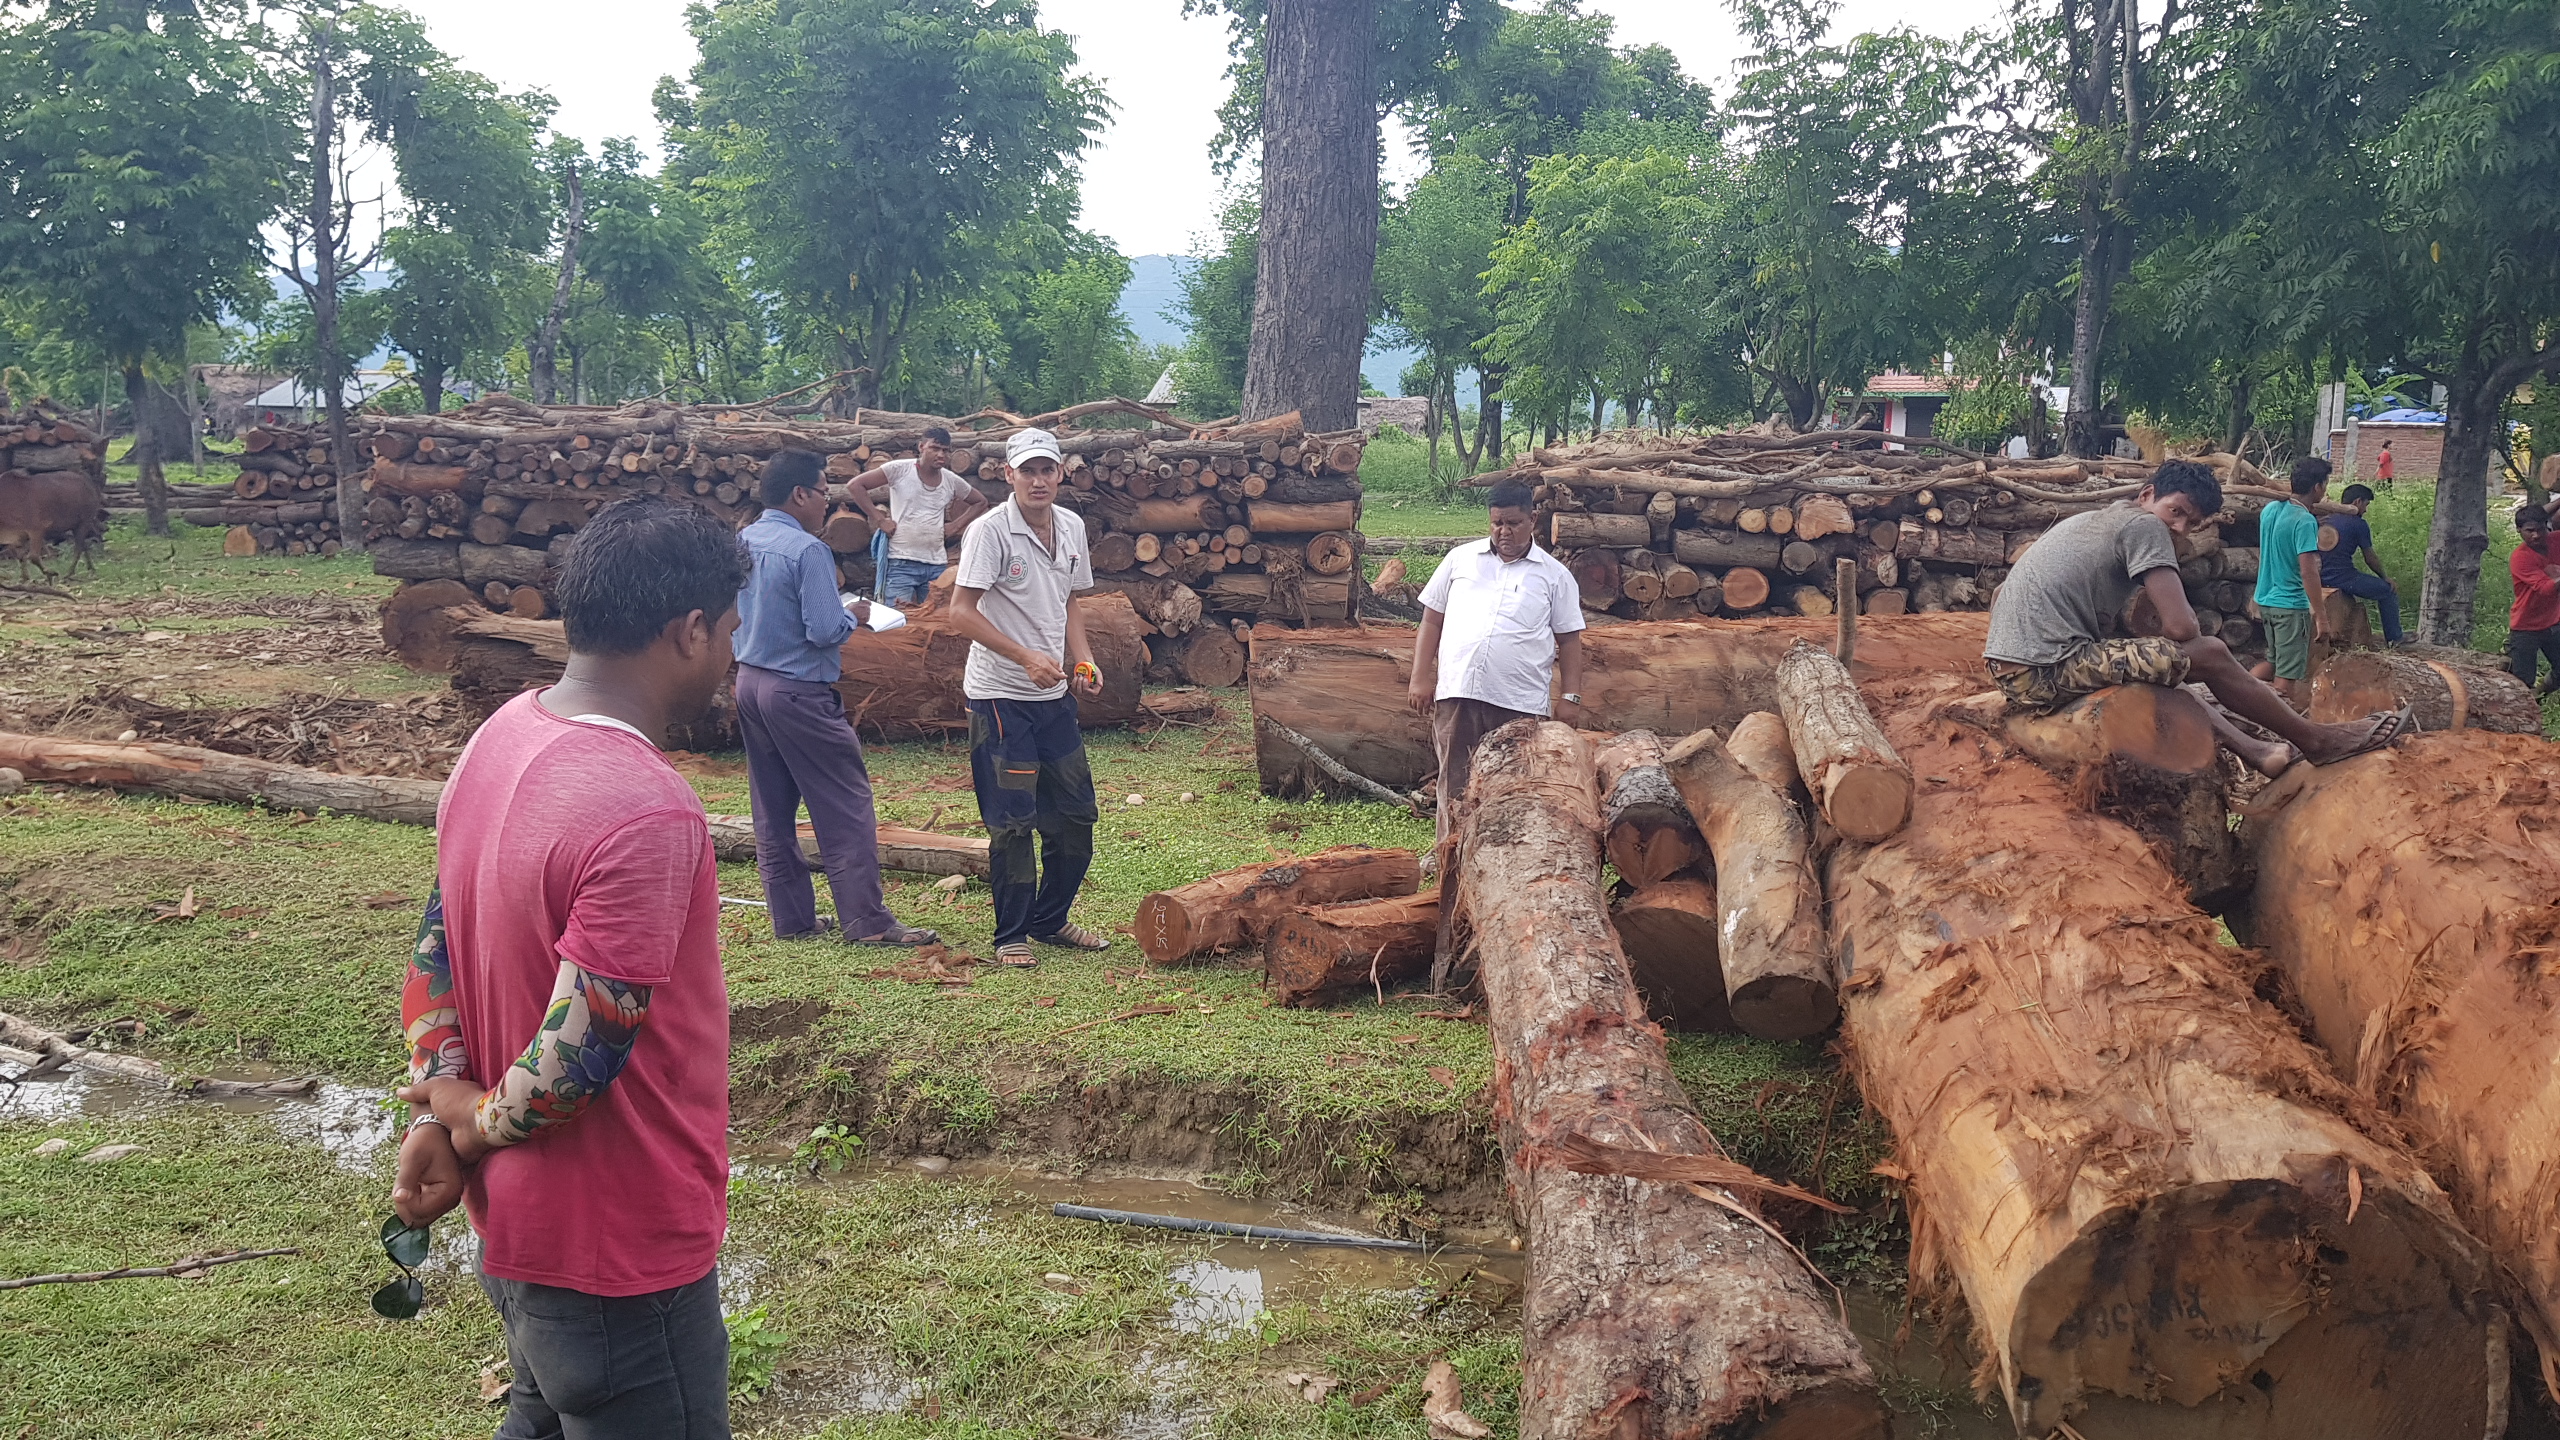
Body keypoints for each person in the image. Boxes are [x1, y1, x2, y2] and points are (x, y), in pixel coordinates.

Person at [390, 496, 748, 1439]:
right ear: (691, 630)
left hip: (518, 1236)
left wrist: (441, 1098)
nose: (729, 661)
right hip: (619, 1251)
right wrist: (461, 1128)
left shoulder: (501, 737)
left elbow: (435, 943)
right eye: (727, 636)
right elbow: (572, 1065)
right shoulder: (647, 809)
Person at [1984, 458, 2409, 772]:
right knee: (2207, 650)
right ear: (2147, 494)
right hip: (2044, 669)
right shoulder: (2144, 527)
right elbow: (2182, 627)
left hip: (2015, 667)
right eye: (2176, 511)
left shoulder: (2096, 521)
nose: (2180, 528)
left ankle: (2259, 752)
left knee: (2157, 667)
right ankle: (2315, 739)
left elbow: (2003, 592)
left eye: (2193, 523)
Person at [733, 450, 938, 946]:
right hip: (798, 689)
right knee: (845, 801)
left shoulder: (744, 540)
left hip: (750, 680)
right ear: (800, 494)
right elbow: (824, 629)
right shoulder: (807, 552)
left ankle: (793, 918)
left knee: (772, 805)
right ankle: (866, 921)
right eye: (826, 493)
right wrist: (858, 614)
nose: (829, 505)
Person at [947, 428, 1110, 967]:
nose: (1038, 480)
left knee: (1077, 814)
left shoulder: (1071, 527)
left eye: (1048, 470)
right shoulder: (989, 532)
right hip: (1000, 699)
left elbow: (1069, 603)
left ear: (1061, 474)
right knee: (1013, 820)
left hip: (1054, 696)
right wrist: (1025, 658)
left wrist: (1081, 659)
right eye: (1028, 470)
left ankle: (1050, 919)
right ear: (1008, 474)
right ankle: (1010, 934)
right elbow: (961, 613)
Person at [1405, 480, 1587, 838]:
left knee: (1512, 787)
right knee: (1454, 783)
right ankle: (1450, 862)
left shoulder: (1554, 576)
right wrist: (1420, 678)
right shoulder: (1460, 560)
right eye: (1497, 523)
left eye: (1513, 523)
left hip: (1518, 703)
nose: (1504, 532)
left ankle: (1505, 869)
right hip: (1459, 693)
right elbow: (1431, 620)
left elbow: (1569, 640)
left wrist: (1570, 697)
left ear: (1532, 520)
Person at [843, 426, 987, 606]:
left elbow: (980, 501)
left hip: (936, 563)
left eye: (945, 450)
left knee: (933, 622)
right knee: (897, 621)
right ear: (921, 447)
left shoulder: (950, 480)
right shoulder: (899, 470)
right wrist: (880, 520)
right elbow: (855, 485)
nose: (941, 455)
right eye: (935, 448)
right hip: (901, 562)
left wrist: (956, 525)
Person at [2254, 457, 2329, 701]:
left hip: (2266, 601)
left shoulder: (2270, 510)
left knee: (2273, 662)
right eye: (2325, 483)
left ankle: (2235, 696)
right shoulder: (2304, 520)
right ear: (2317, 486)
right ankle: (2276, 725)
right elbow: (2308, 571)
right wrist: (2321, 616)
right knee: (2285, 680)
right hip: (2290, 607)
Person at [2319, 483, 2403, 644]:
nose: (2365, 510)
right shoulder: (2357, 523)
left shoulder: (2325, 518)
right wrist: (2384, 577)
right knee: (2387, 591)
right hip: (2342, 577)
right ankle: (2395, 638)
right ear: (2357, 502)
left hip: (2320, 575)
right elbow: (2369, 557)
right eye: (2366, 505)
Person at [2508, 505, 2560, 693]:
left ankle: (2538, 696)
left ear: (2546, 526)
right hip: (2525, 627)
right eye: (2529, 531)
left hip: (2553, 622)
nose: (2536, 535)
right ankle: (2523, 713)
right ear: (2519, 530)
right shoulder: (2520, 558)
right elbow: (2546, 589)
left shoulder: (2555, 540)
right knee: (2522, 682)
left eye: (2539, 529)